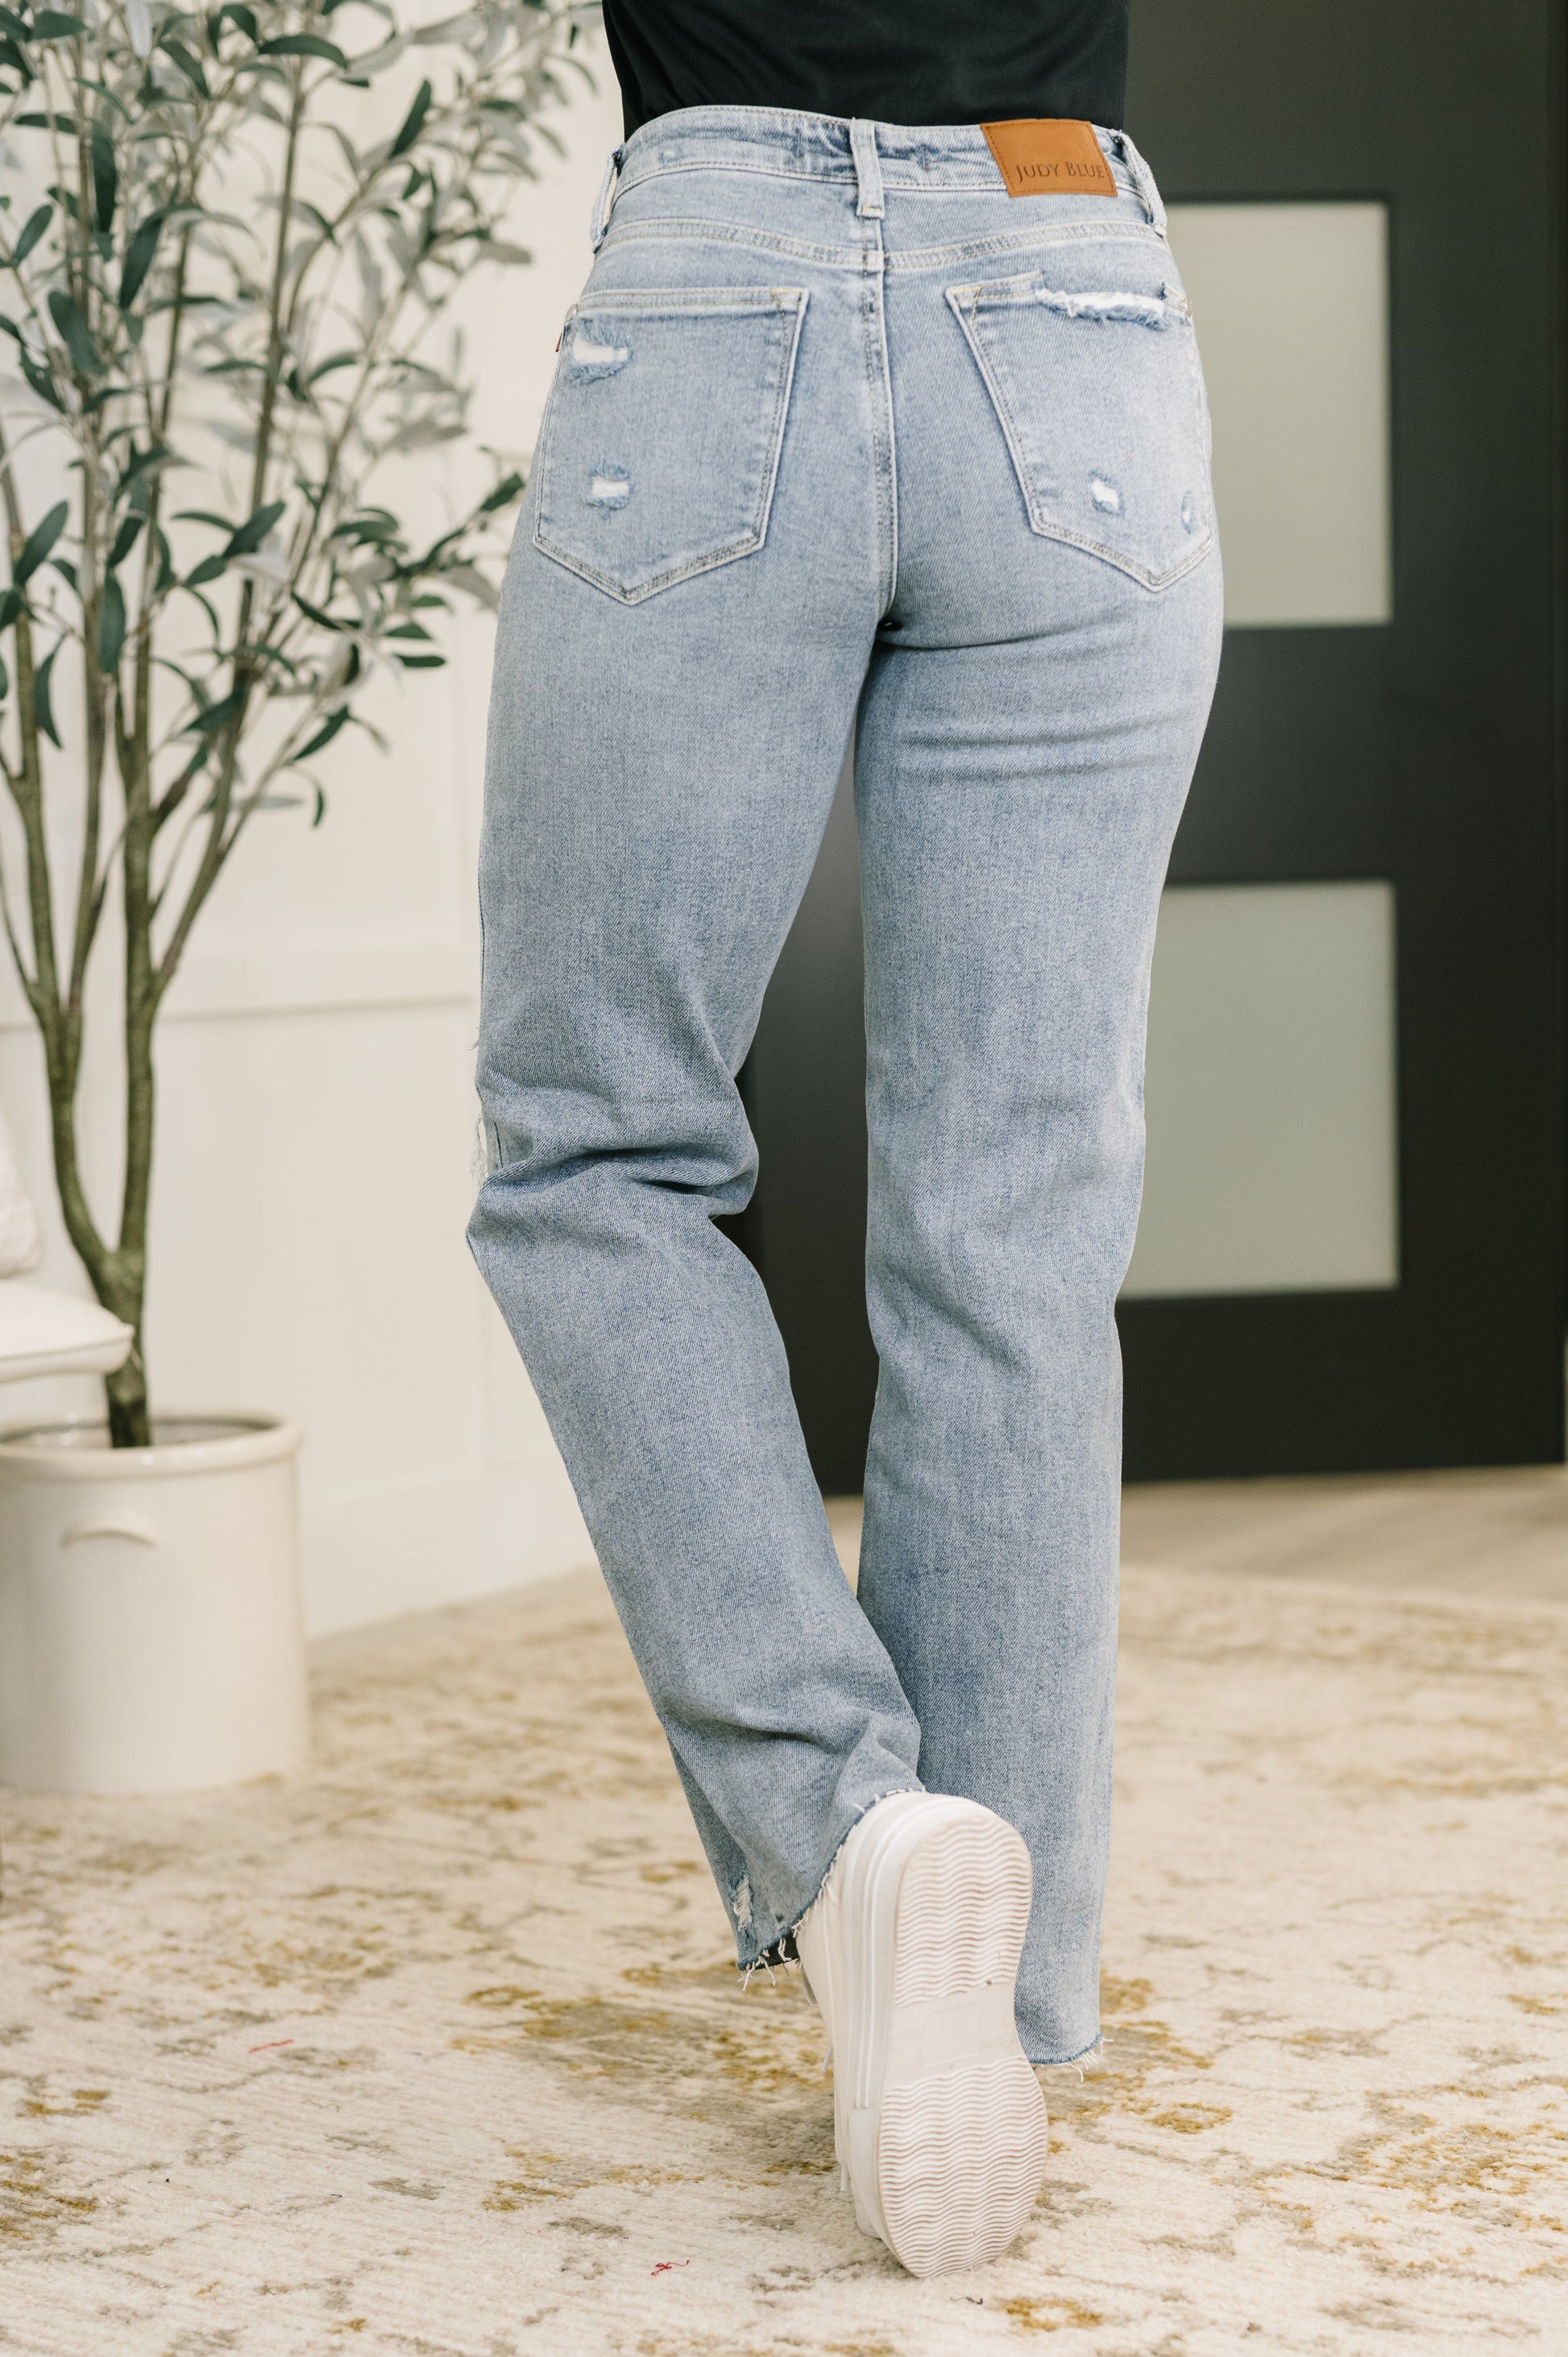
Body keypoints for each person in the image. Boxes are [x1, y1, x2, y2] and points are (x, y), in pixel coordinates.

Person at [469, 0, 1222, 2280]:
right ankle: (989, 2001)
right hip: (1072, 288)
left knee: (598, 1152)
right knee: (1015, 1224)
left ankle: (854, 1825)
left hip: (721, 284)